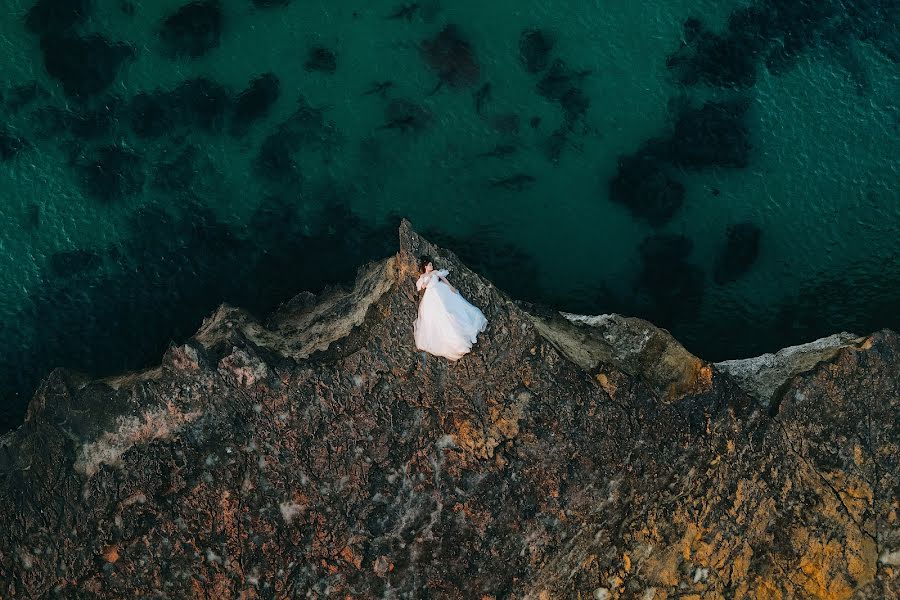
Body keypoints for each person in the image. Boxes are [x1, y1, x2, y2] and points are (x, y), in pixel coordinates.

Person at [414, 255, 487, 360]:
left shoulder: (435, 272)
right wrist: (428, 277)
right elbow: (422, 287)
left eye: (431, 264)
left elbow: (444, 279)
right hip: (431, 296)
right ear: (425, 266)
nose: (432, 266)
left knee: (450, 309)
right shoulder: (423, 277)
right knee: (435, 317)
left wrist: (451, 287)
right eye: (430, 265)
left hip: (441, 291)